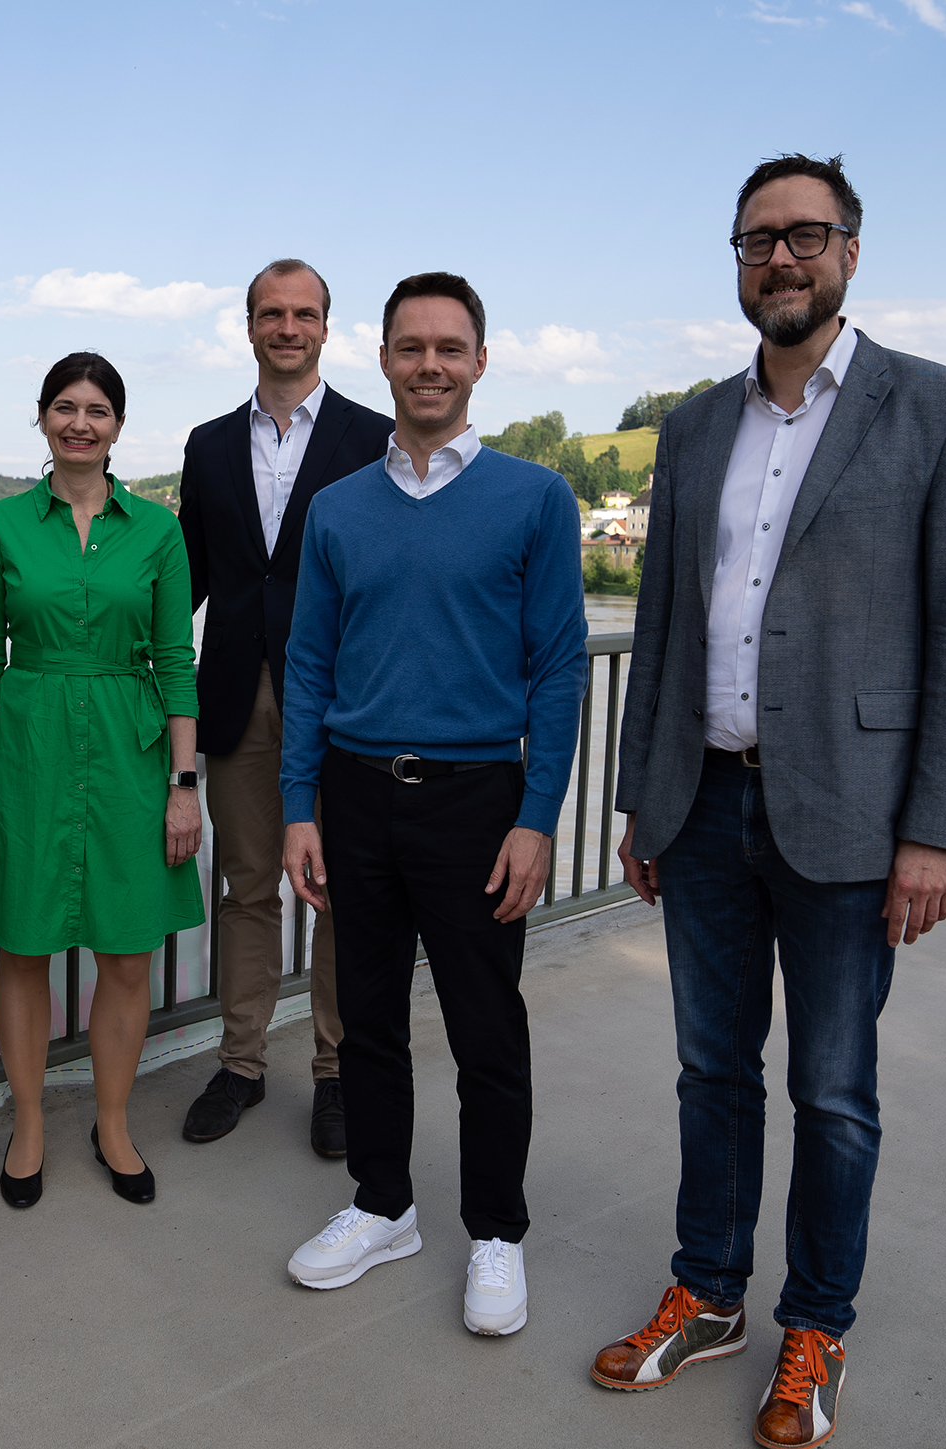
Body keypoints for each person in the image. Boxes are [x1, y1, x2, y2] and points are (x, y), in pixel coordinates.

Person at [589, 155, 946, 1449]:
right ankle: (709, 1292)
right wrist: (641, 800)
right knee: (710, 1071)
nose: (780, 257)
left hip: (852, 814)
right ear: (737, 259)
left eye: (805, 235)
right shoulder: (694, 430)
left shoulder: (936, 410)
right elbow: (663, 626)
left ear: (850, 252)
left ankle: (815, 1323)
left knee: (832, 1090)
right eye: (757, 238)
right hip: (702, 805)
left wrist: (934, 829)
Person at [278, 273, 586, 1338]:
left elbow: (558, 668)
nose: (429, 365)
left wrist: (536, 817)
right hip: (356, 795)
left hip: (476, 803)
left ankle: (495, 1230)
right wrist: (299, 806)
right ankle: (382, 1205)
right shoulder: (336, 508)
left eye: (449, 348)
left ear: (480, 362)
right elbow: (308, 665)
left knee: (484, 1027)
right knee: (367, 1020)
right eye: (410, 347)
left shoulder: (534, 499)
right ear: (382, 360)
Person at [0, 352, 204, 1210]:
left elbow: (176, 661)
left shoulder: (158, 529)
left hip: (130, 758)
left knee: (126, 953)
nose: (80, 423)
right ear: (43, 417)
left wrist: (184, 782)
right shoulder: (0, 526)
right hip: (26, 755)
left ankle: (113, 1123)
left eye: (97, 410)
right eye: (64, 406)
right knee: (24, 946)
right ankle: (28, 1123)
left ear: (118, 426)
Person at [176, 259, 394, 1156]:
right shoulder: (207, 444)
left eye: (304, 314)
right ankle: (241, 1064)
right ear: (251, 326)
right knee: (246, 886)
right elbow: (183, 582)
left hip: (344, 699)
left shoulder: (374, 436)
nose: (288, 328)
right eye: (273, 313)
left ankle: (337, 1072)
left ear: (326, 328)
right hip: (235, 693)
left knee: (340, 890)